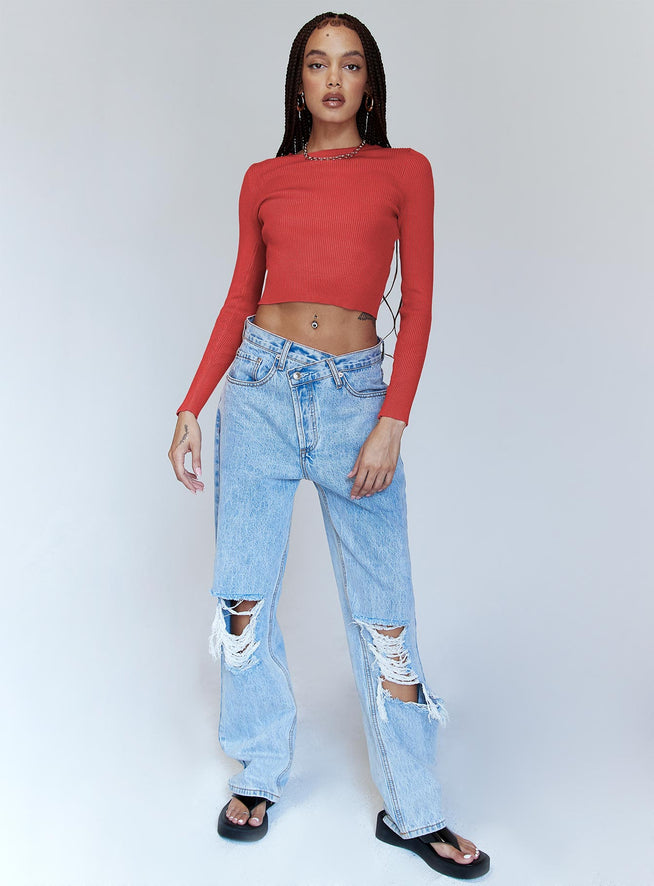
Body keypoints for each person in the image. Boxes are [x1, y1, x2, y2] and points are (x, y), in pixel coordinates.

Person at [168, 11, 490, 880]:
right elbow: (240, 297)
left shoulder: (405, 171)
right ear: (299, 82)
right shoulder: (263, 179)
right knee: (244, 598)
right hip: (260, 393)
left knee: (385, 614)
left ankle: (414, 807)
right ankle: (260, 770)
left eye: (350, 64)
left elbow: (418, 304)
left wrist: (393, 418)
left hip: (356, 402)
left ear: (370, 81)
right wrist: (192, 404)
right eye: (318, 64)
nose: (334, 79)